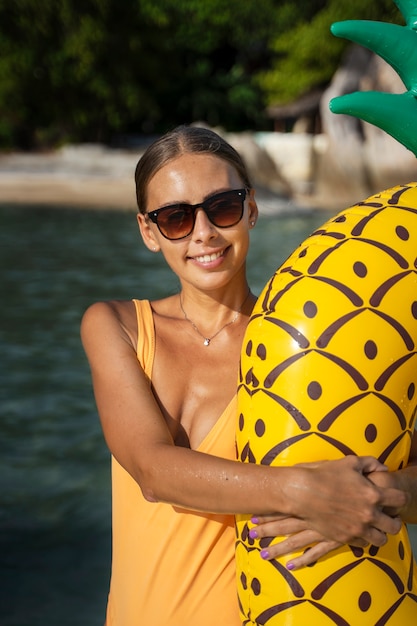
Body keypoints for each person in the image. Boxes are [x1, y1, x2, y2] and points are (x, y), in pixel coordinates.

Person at [81, 125, 413, 626]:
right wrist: (304, 493)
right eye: (175, 217)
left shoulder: (310, 347)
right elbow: (152, 470)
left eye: (223, 206)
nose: (204, 233)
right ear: (148, 232)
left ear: (252, 208)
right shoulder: (117, 326)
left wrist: (376, 497)